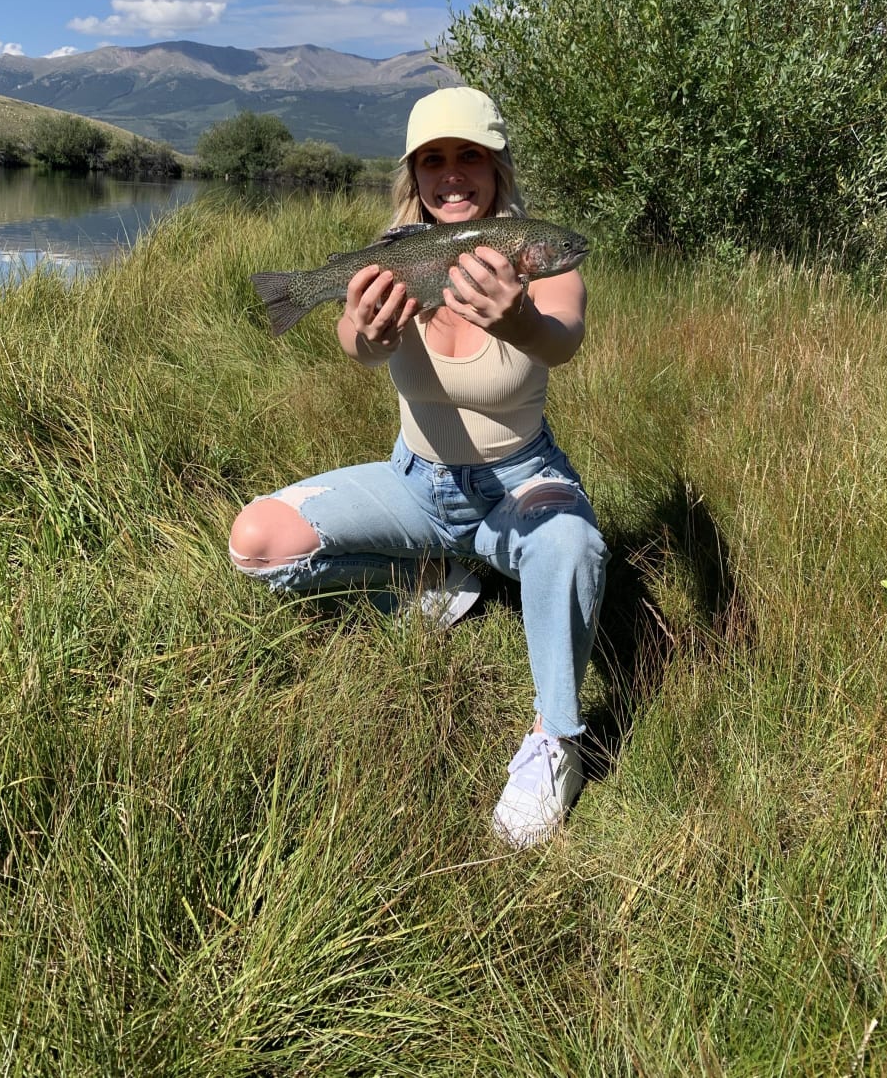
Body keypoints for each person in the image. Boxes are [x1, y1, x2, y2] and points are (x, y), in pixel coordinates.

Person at [228, 88, 609, 848]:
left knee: (573, 546)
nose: (452, 174)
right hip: (416, 483)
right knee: (256, 543)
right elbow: (356, 345)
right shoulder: (396, 252)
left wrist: (518, 318)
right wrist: (366, 331)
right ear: (414, 174)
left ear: (497, 167)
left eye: (470, 156)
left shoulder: (534, 256)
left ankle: (555, 740)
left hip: (519, 485)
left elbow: (561, 339)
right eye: (433, 160)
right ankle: (434, 589)